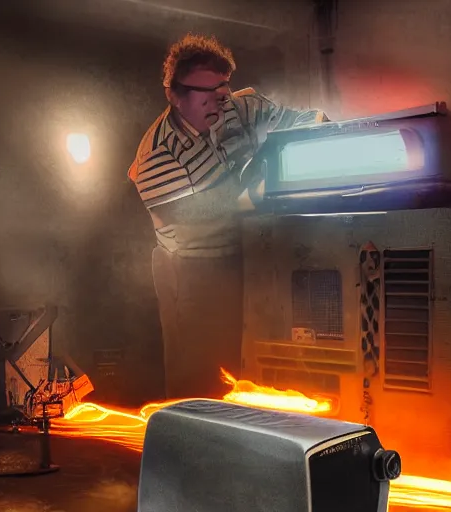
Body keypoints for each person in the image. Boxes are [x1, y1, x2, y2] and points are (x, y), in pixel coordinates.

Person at [128, 33, 327, 399]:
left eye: (223, 89)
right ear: (174, 95)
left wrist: (317, 125)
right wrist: (253, 186)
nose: (220, 102)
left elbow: (298, 118)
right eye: (207, 93)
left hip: (255, 248)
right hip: (196, 266)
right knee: (204, 375)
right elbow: (191, 215)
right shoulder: (155, 155)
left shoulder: (239, 105)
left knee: (264, 362)